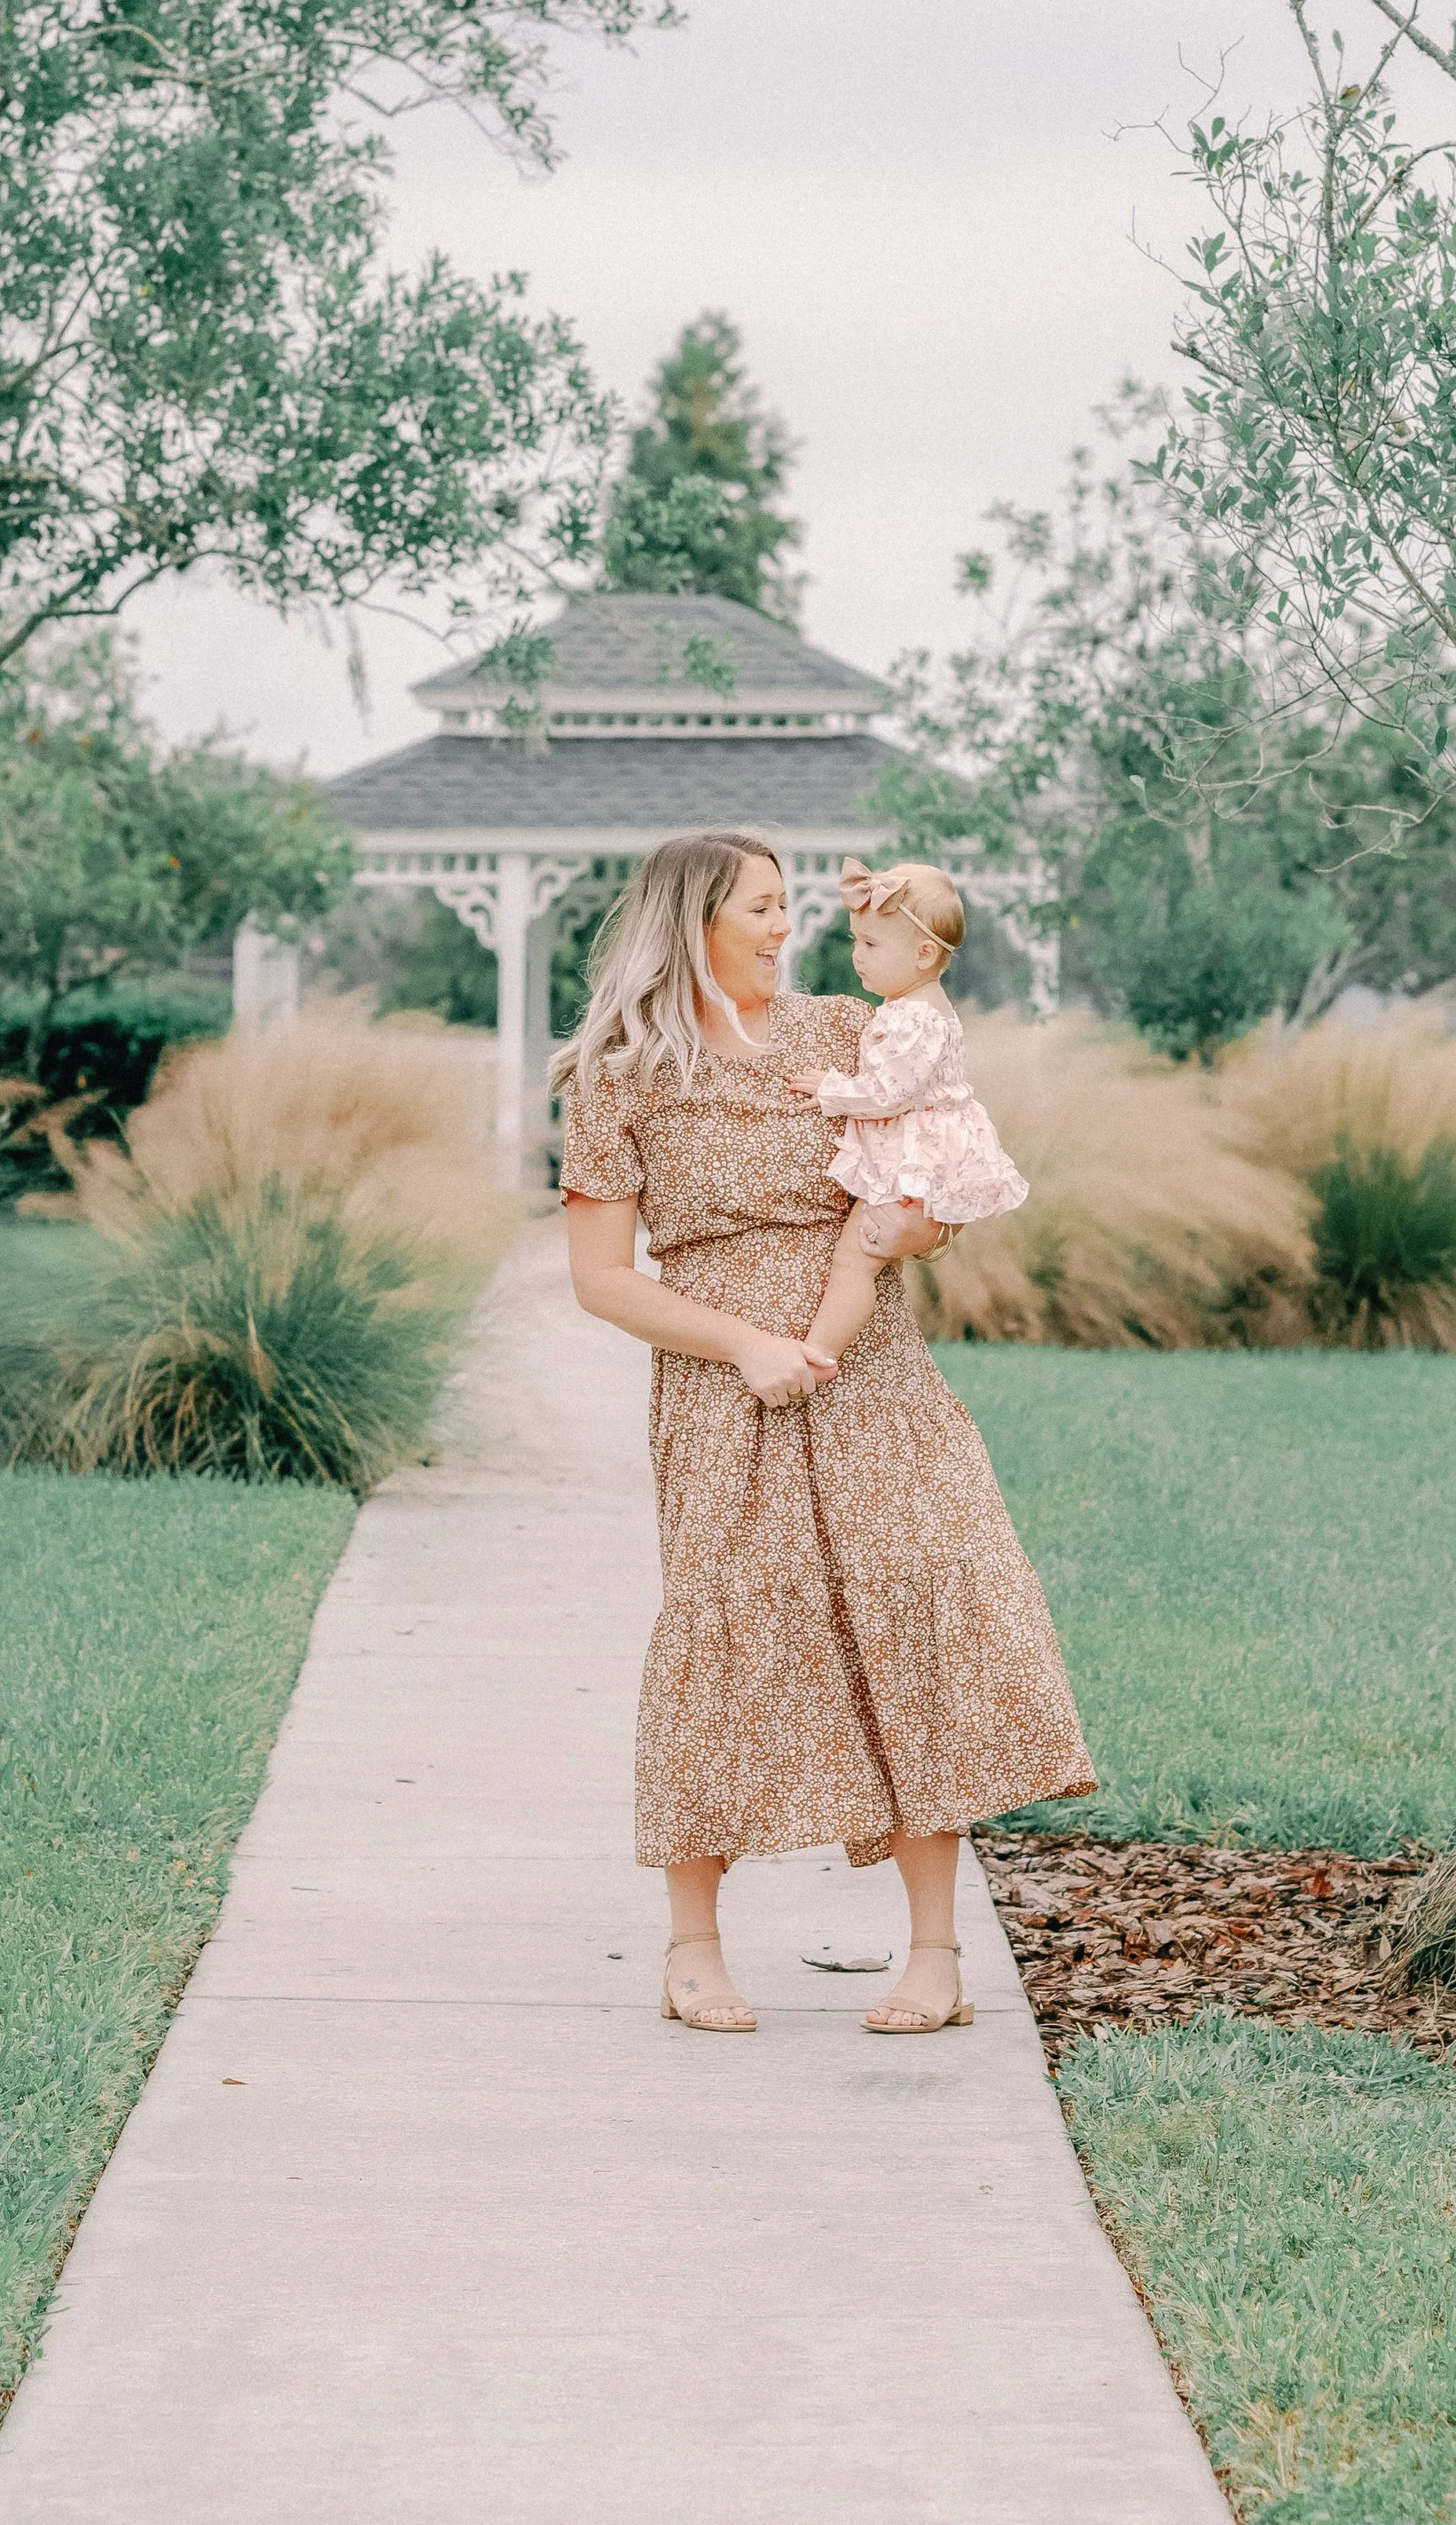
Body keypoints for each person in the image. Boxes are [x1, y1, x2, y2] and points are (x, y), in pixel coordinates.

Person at [557, 828, 1095, 2037]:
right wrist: (744, 1343)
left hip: (875, 1371)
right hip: (722, 1383)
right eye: (761, 905)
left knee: (915, 1618)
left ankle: (936, 1955)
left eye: (792, 903)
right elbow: (600, 1276)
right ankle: (694, 1946)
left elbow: (932, 1175)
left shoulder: (843, 1033)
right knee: (725, 1631)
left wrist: (922, 1236)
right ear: (692, 917)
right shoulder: (620, 1072)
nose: (784, 925)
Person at [787, 857, 1029, 1374]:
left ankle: (818, 1353)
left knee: (854, 1260)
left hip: (915, 1163)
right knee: (863, 1258)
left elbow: (886, 1093)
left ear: (923, 954)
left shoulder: (917, 1018)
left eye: (872, 945)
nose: (858, 957)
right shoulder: (914, 1006)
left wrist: (833, 1092)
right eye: (856, 941)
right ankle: (821, 1348)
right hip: (919, 1154)